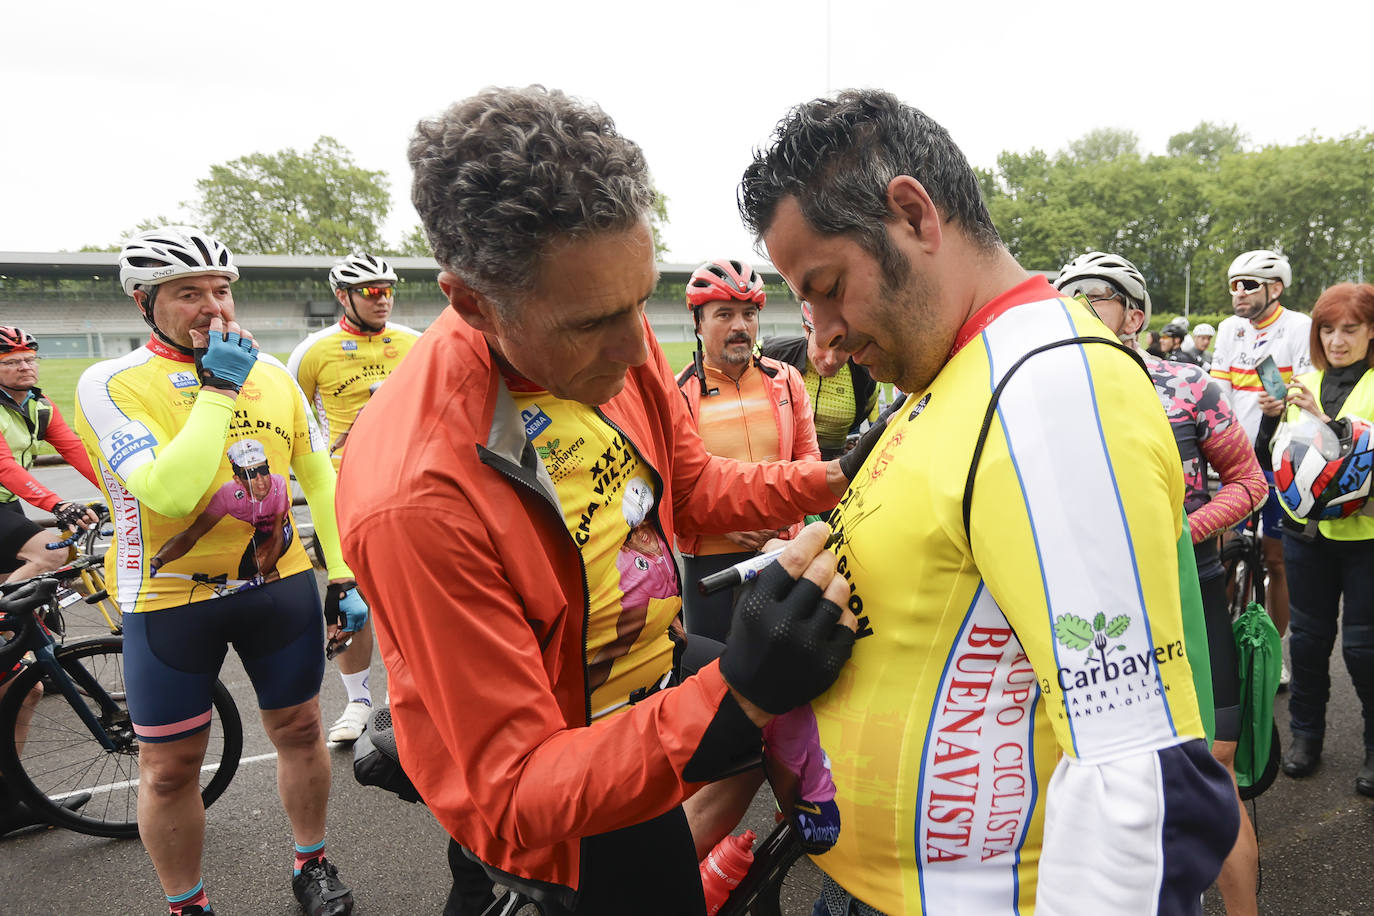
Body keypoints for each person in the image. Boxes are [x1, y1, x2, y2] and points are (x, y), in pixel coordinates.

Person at [739, 89, 1238, 916]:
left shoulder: (1049, 387)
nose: (820, 336)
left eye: (827, 287)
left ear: (912, 214)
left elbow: (1137, 782)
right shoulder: (951, 373)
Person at [74, 227, 364, 916]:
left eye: (221, 290)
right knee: (170, 769)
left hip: (279, 586)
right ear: (145, 302)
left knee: (298, 730)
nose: (213, 307)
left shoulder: (275, 376)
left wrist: (343, 574)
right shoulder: (109, 383)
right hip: (171, 599)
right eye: (188, 294)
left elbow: (319, 477)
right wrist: (216, 389)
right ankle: (188, 904)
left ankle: (312, 862)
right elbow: (170, 493)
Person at [1055, 251, 1267, 916]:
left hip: (1188, 591)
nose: (1074, 308)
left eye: (1091, 296)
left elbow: (1251, 482)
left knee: (1215, 765)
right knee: (1096, 771)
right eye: (1064, 298)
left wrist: (1183, 532)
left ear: (1135, 314)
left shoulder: (1187, 386)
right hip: (1091, 609)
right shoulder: (1049, 394)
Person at [287, 253, 421, 744]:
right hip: (344, 495)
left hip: (407, 489)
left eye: (387, 290)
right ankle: (359, 700)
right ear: (342, 296)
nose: (381, 299)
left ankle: (405, 695)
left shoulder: (414, 343)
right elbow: (292, 422)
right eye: (370, 291)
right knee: (349, 601)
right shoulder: (312, 351)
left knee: (410, 598)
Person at [1253, 282, 1374, 797]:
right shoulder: (1303, 381)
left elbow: (1353, 455)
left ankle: (1373, 748)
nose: (1338, 340)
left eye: (1350, 329)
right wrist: (1271, 417)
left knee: (1364, 649)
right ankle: (1306, 736)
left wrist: (1326, 423)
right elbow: (1270, 456)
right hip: (1306, 536)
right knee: (1305, 643)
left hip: (1367, 538)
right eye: (1328, 329)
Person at [674, 258, 820, 640]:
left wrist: (782, 514)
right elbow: (671, 491)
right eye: (724, 314)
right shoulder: (677, 395)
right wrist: (724, 519)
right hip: (711, 560)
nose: (740, 326)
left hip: (782, 548)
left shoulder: (786, 381)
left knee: (785, 668)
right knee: (715, 677)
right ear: (698, 323)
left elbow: (808, 460)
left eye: (748, 313)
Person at [1211, 249, 1311, 662]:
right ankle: (1220, 646)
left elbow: (1308, 389)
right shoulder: (1228, 329)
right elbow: (1216, 392)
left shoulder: (1298, 326)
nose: (1239, 292)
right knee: (1223, 554)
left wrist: (1285, 401)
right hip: (1233, 460)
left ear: (1275, 288)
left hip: (1278, 459)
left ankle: (1277, 654)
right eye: (1234, 284)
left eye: (1249, 284)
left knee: (1275, 561)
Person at [0, 326, 101, 582]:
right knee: (52, 554)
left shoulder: (39, 405)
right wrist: (58, 504)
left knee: (13, 580)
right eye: (11, 361)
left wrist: (120, 491)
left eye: (30, 359)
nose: (25, 366)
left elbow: (75, 450)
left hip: (8, 503)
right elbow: (4, 466)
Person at [760, 300, 880, 461]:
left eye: (843, 347)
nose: (830, 360)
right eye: (822, 344)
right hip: (784, 462)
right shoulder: (773, 352)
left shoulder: (863, 372)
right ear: (806, 331)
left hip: (834, 462)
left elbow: (865, 412)